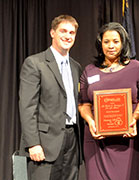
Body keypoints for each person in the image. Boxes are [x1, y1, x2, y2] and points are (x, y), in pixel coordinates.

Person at [78, 22, 139, 180]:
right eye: (106, 42)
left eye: (115, 41)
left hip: (130, 138)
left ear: (123, 43)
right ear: (100, 44)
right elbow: (84, 103)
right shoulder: (89, 70)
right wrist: (91, 122)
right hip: (96, 141)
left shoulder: (137, 68)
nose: (111, 46)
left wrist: (133, 120)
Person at [19, 15, 82, 180]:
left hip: (72, 140)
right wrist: (33, 143)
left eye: (72, 32)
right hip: (45, 143)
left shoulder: (76, 67)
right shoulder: (34, 63)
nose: (68, 36)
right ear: (52, 33)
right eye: (63, 31)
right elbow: (27, 107)